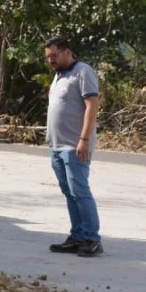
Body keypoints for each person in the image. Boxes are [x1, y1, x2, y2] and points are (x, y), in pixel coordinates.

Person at [44, 36, 103, 257]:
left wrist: (84, 139)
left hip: (75, 145)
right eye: (48, 57)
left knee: (80, 191)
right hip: (57, 146)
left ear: (67, 51)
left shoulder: (83, 71)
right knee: (69, 192)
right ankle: (77, 236)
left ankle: (92, 238)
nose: (51, 61)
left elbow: (92, 107)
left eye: (54, 56)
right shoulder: (59, 75)